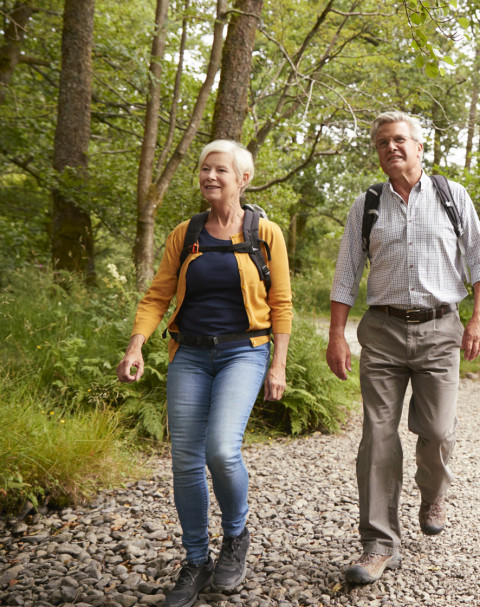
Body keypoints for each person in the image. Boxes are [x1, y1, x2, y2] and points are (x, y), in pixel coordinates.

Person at [116, 140, 292, 607]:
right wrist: (136, 346)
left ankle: (235, 536)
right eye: (204, 169)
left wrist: (279, 364)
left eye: (220, 170)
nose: (209, 176)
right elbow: (157, 295)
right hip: (188, 354)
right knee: (185, 461)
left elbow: (282, 305)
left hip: (244, 352)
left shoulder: (266, 233)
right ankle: (196, 560)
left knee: (221, 449)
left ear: (243, 179)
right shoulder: (186, 232)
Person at [326, 111, 480, 584]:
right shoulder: (368, 204)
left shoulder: (451, 195)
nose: (391, 148)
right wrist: (336, 335)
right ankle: (379, 544)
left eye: (400, 140)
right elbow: (345, 277)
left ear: (420, 148)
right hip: (381, 333)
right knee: (377, 436)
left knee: (438, 431)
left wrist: (478, 317)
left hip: (441, 330)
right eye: (382, 143)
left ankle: (433, 491)